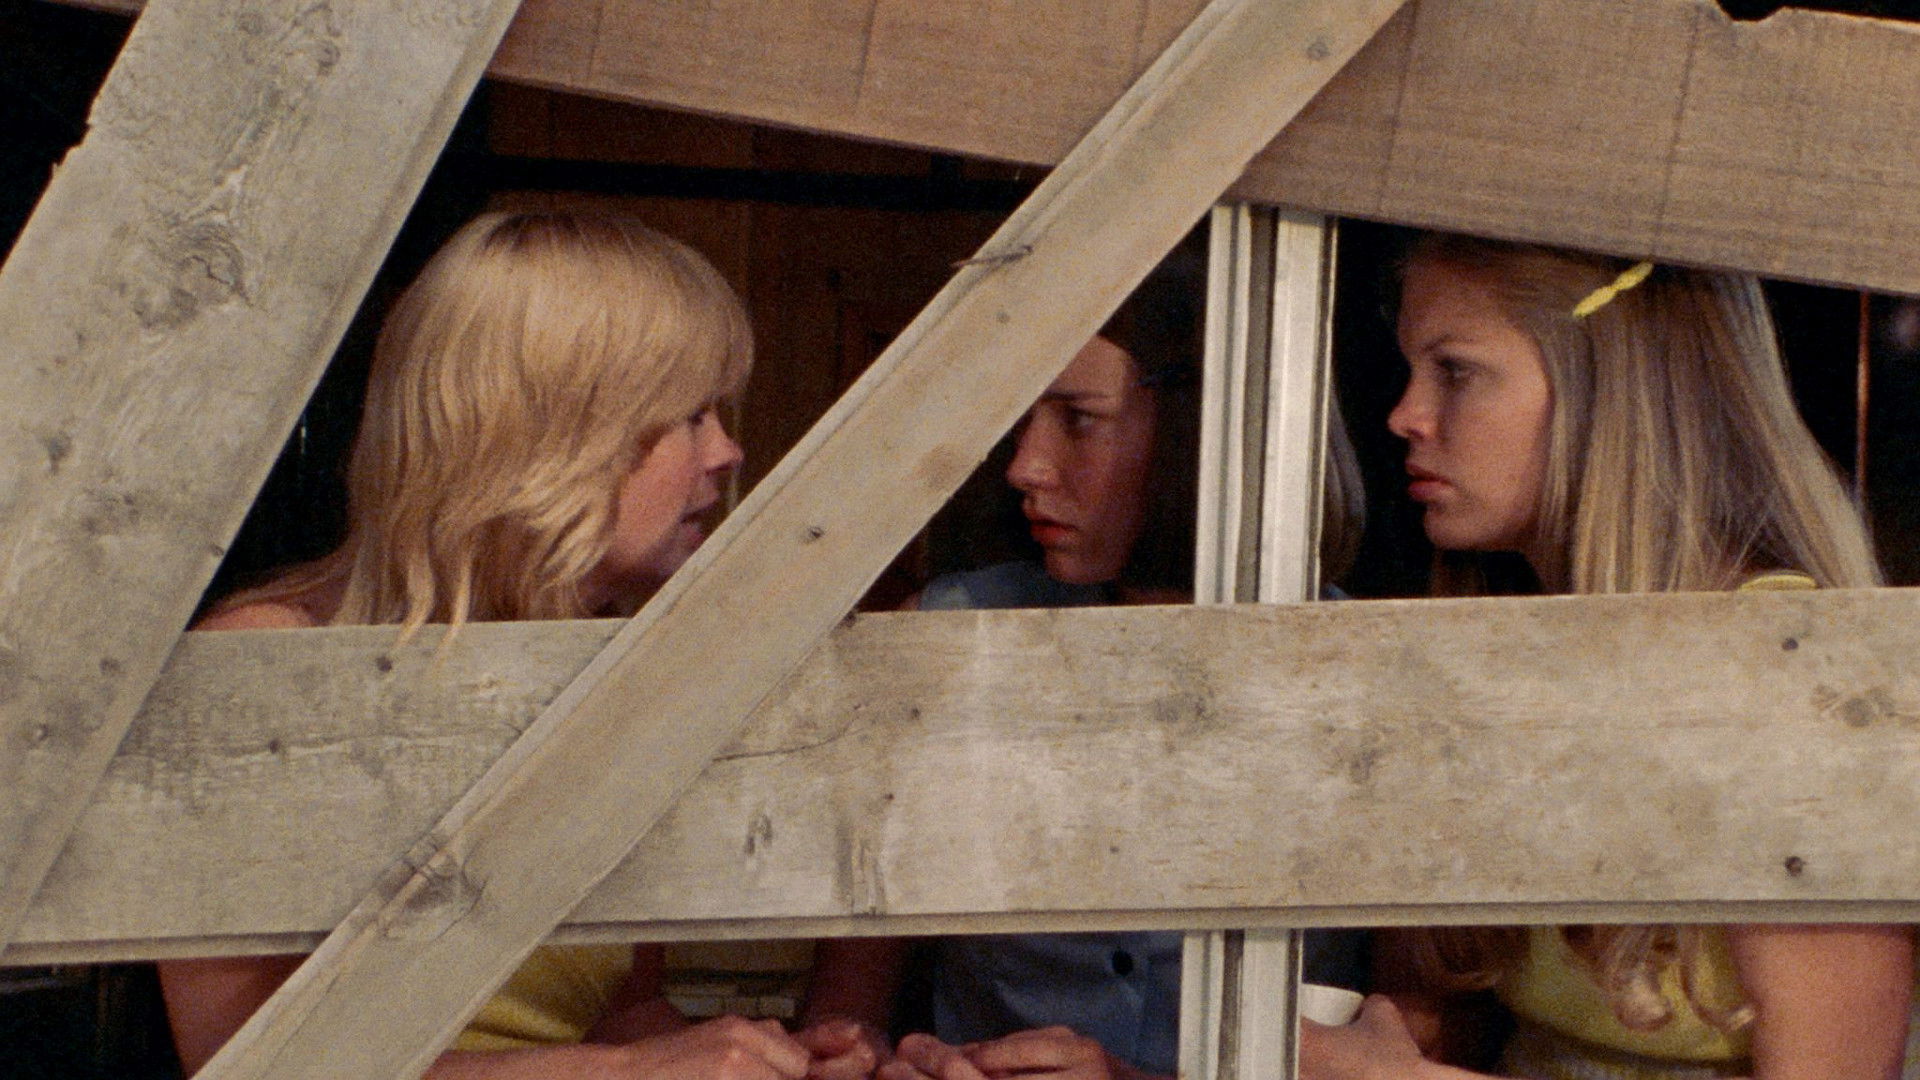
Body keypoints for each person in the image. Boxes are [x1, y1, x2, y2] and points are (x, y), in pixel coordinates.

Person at [156, 211, 877, 1080]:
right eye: (689, 415)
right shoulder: (265, 669)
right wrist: (625, 1076)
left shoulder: (607, 673)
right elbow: (242, 1066)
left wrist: (765, 1060)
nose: (727, 450)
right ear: (552, 433)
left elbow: (613, 1014)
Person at [1300, 233, 1915, 1080]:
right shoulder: (1492, 646)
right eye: (1412, 371)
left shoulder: (1787, 675)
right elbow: (1434, 1004)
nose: (1405, 414)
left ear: (1604, 385)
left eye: (1456, 371)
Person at [863, 237, 1370, 1080]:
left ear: (1201, 426)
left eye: (1078, 419)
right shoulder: (949, 637)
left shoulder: (1366, 669)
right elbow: (851, 997)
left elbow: (1426, 1020)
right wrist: (874, 1057)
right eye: (1023, 419)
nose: (1025, 466)